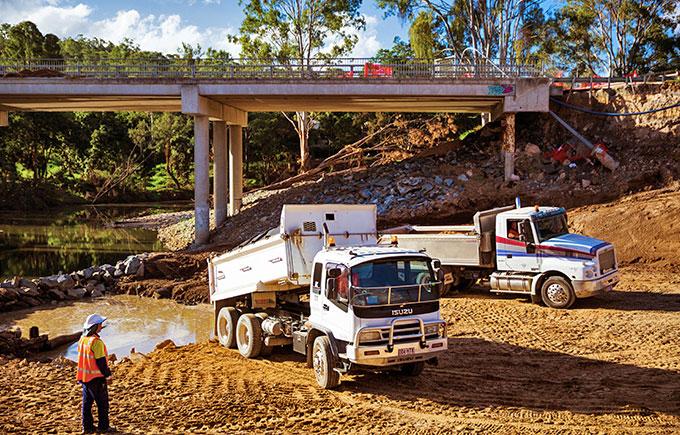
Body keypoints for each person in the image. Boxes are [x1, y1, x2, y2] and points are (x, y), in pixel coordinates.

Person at [77, 314, 115, 434]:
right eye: (100, 324)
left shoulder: (82, 340)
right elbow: (101, 362)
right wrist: (108, 375)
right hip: (97, 378)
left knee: (86, 403)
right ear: (95, 326)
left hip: (85, 378)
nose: (101, 326)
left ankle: (87, 427)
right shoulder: (96, 342)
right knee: (103, 404)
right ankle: (103, 427)